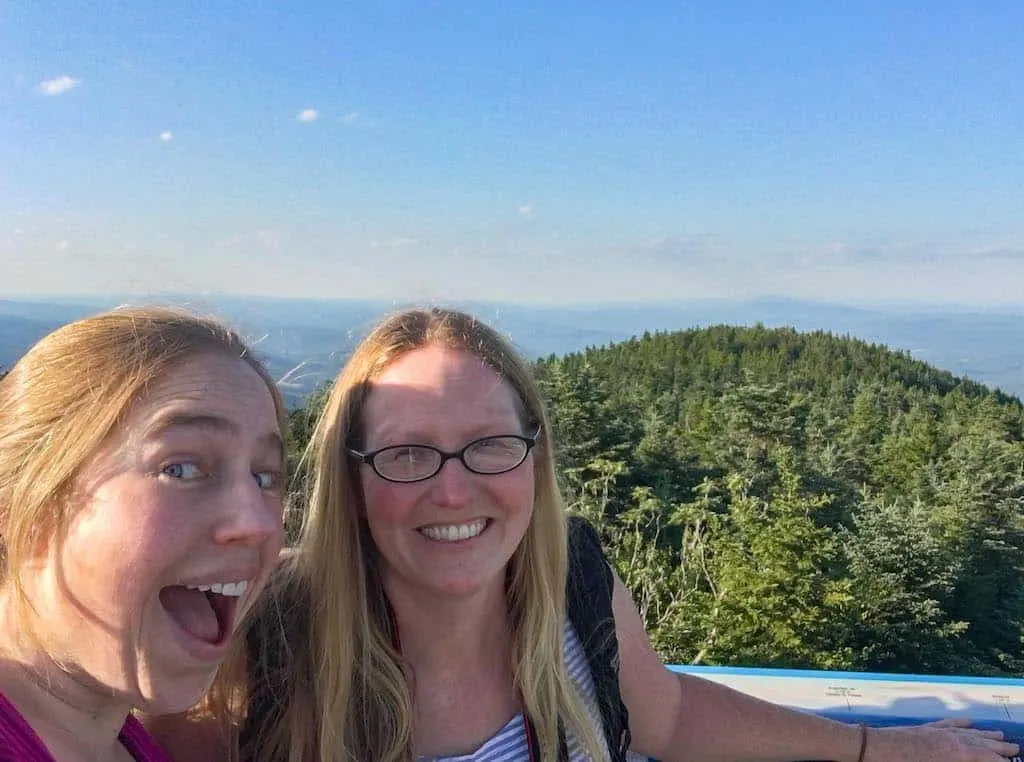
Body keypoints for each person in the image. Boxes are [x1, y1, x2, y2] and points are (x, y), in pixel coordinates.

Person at [162, 306, 1018, 762]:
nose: (455, 488)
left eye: (490, 446)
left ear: (535, 457)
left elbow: (670, 717)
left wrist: (873, 747)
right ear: (351, 477)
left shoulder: (571, 580)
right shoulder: (261, 641)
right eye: (409, 453)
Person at [0, 306, 288, 762]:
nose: (259, 524)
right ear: (26, 508)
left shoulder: (121, 741)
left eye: (265, 477)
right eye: (180, 468)